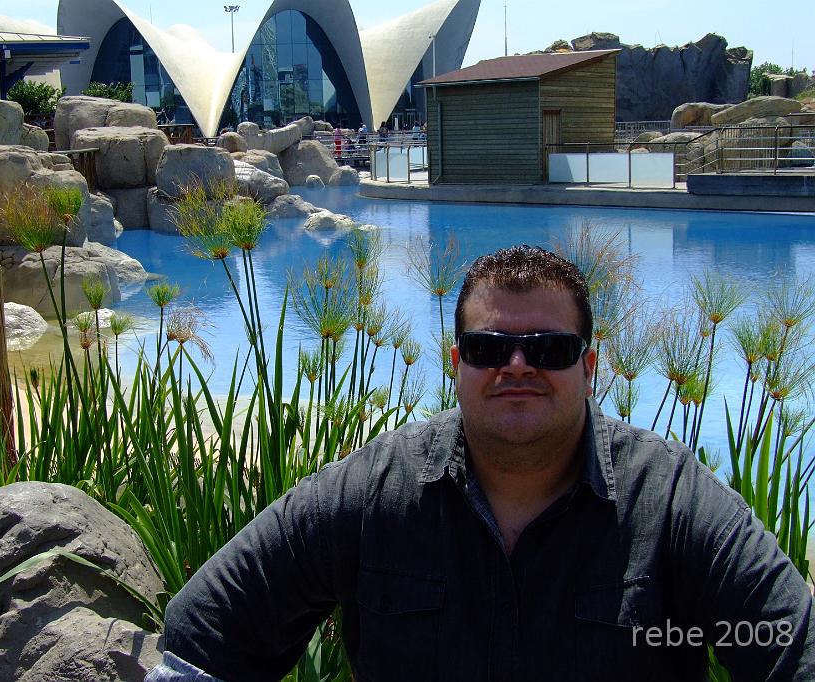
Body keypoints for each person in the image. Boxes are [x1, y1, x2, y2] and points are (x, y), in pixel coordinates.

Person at [147, 245, 815, 682]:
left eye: (548, 349)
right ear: (457, 363)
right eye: (490, 348)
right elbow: (205, 630)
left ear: (588, 367)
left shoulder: (668, 500)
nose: (517, 366)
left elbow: (791, 648)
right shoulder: (376, 489)